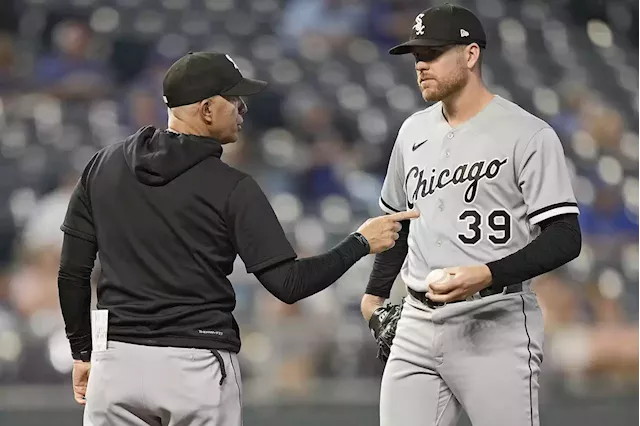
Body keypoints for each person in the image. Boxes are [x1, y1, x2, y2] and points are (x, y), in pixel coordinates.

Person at [57, 51, 419, 426]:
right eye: (234, 98)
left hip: (117, 364)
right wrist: (359, 242)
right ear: (208, 108)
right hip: (196, 366)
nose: (243, 107)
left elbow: (72, 273)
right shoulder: (232, 187)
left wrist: (83, 353)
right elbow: (288, 283)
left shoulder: (101, 166)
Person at [360, 4, 582, 426]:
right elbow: (399, 224)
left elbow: (565, 236)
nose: (421, 65)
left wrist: (488, 273)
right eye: (416, 57)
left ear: (471, 54)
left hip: (495, 320)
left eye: (433, 53)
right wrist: (374, 295)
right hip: (417, 322)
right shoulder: (412, 132)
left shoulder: (528, 134)